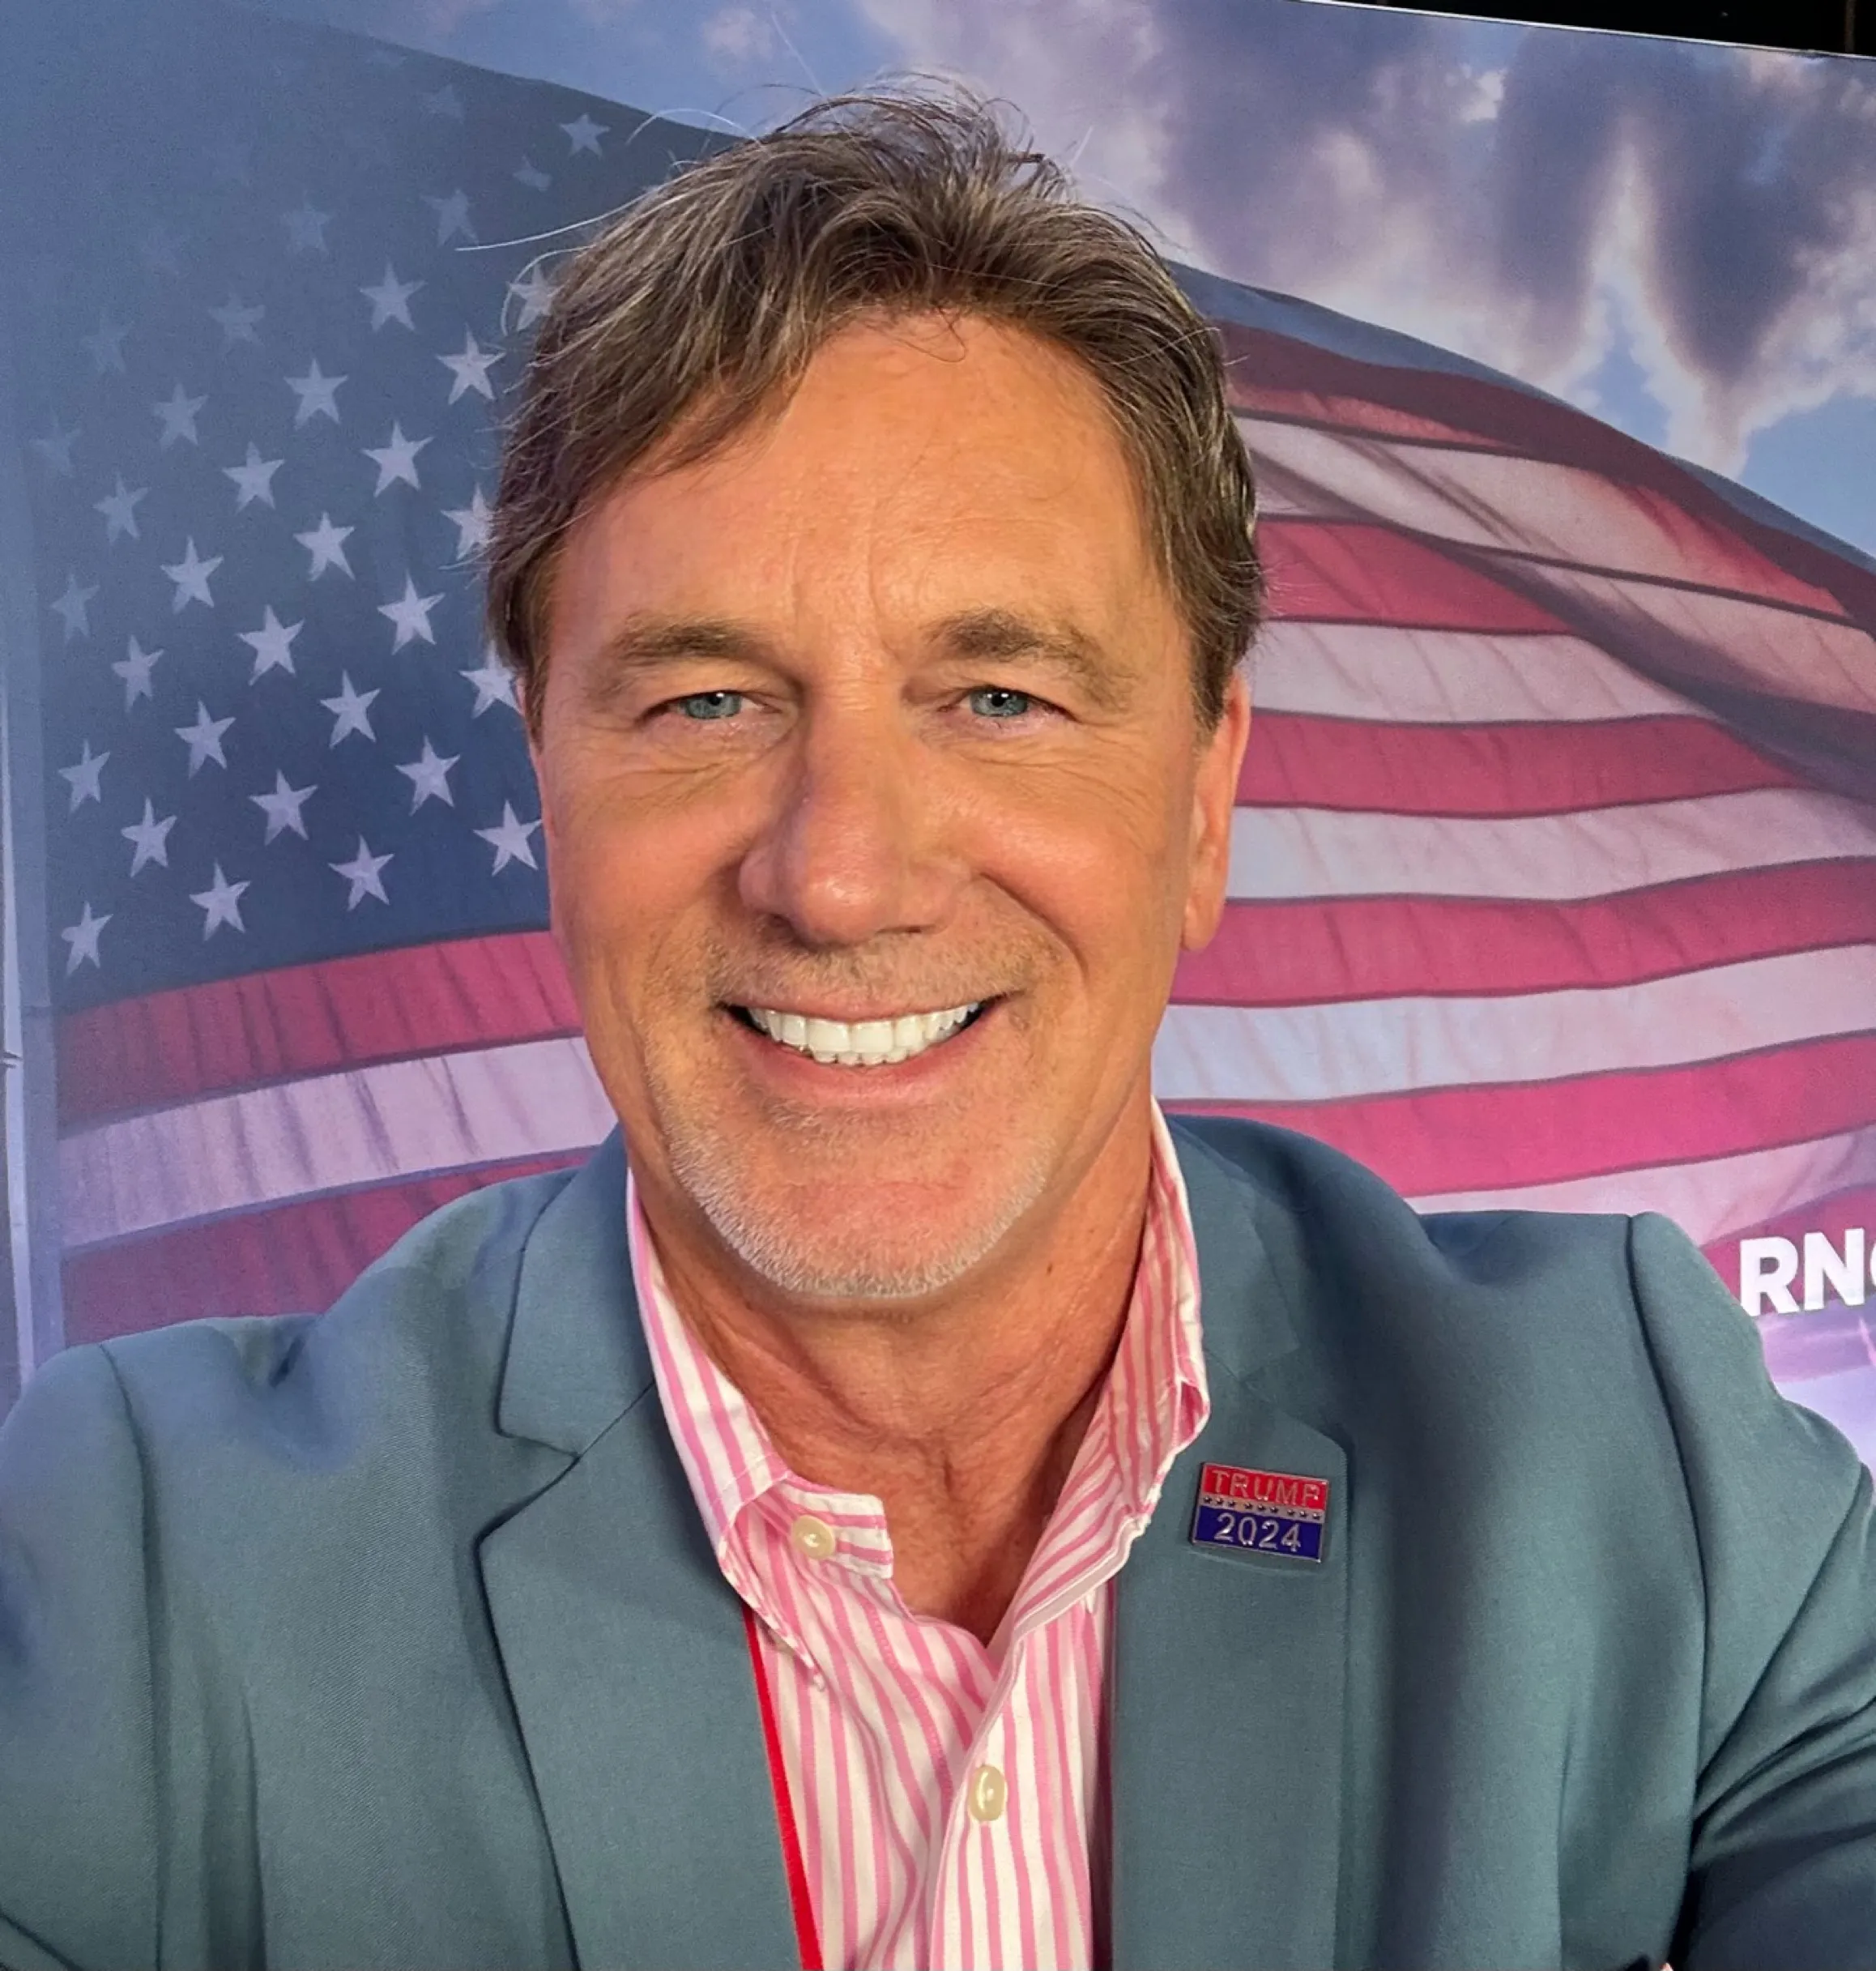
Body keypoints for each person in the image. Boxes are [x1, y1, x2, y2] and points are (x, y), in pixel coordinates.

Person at [2, 88, 1874, 1971]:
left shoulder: (1631, 1452)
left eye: (996, 696)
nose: (840, 877)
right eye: (707, 702)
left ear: (1204, 800)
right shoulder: (150, 1573)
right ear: (549, 793)